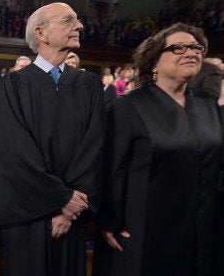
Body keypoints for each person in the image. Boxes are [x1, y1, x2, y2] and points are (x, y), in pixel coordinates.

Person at [94, 23, 222, 276]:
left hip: (202, 229)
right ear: (153, 60)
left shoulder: (209, 105)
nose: (191, 52)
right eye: (178, 48)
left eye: (196, 48)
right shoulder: (129, 105)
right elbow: (112, 169)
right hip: (147, 231)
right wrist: (109, 220)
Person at [0, 2, 105, 276]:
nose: (79, 26)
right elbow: (13, 151)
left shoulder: (88, 84)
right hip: (25, 215)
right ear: (41, 33)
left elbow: (95, 147)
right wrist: (61, 198)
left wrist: (69, 208)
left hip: (73, 216)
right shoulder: (14, 84)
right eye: (68, 20)